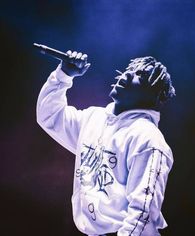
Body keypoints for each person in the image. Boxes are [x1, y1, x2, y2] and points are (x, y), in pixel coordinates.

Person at [36, 50, 175, 236]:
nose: (127, 74)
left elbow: (142, 214)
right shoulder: (94, 118)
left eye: (139, 76)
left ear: (154, 97)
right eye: (130, 69)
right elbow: (49, 116)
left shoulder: (148, 138)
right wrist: (63, 74)